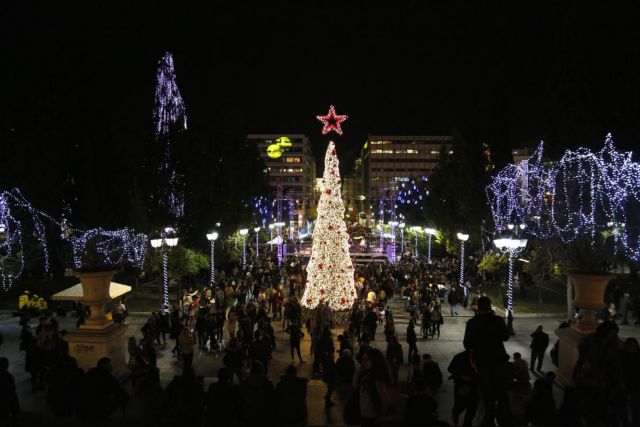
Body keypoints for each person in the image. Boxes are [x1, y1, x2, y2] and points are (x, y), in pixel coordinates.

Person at [463, 296, 512, 427]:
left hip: (483, 361)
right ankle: (505, 419)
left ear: (478, 307)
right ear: (489, 307)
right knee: (502, 392)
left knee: (487, 392)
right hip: (499, 360)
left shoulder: (472, 323)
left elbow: (467, 344)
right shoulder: (498, 320)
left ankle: (489, 418)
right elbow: (506, 336)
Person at [357, 348, 392, 427]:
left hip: (371, 418)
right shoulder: (365, 375)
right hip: (365, 416)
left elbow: (386, 400)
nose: (363, 363)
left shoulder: (377, 379)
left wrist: (380, 417)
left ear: (375, 361)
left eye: (367, 360)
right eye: (363, 360)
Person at [448, 349, 479, 426]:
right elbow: (450, 369)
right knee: (461, 404)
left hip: (475, 385)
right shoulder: (459, 357)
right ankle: (456, 412)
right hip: (462, 385)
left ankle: (467, 424)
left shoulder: (480, 356)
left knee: (473, 407)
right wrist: (461, 376)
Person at [241, 361, 276, 426]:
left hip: (249, 413)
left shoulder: (245, 383)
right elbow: (272, 399)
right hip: (263, 413)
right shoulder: (267, 383)